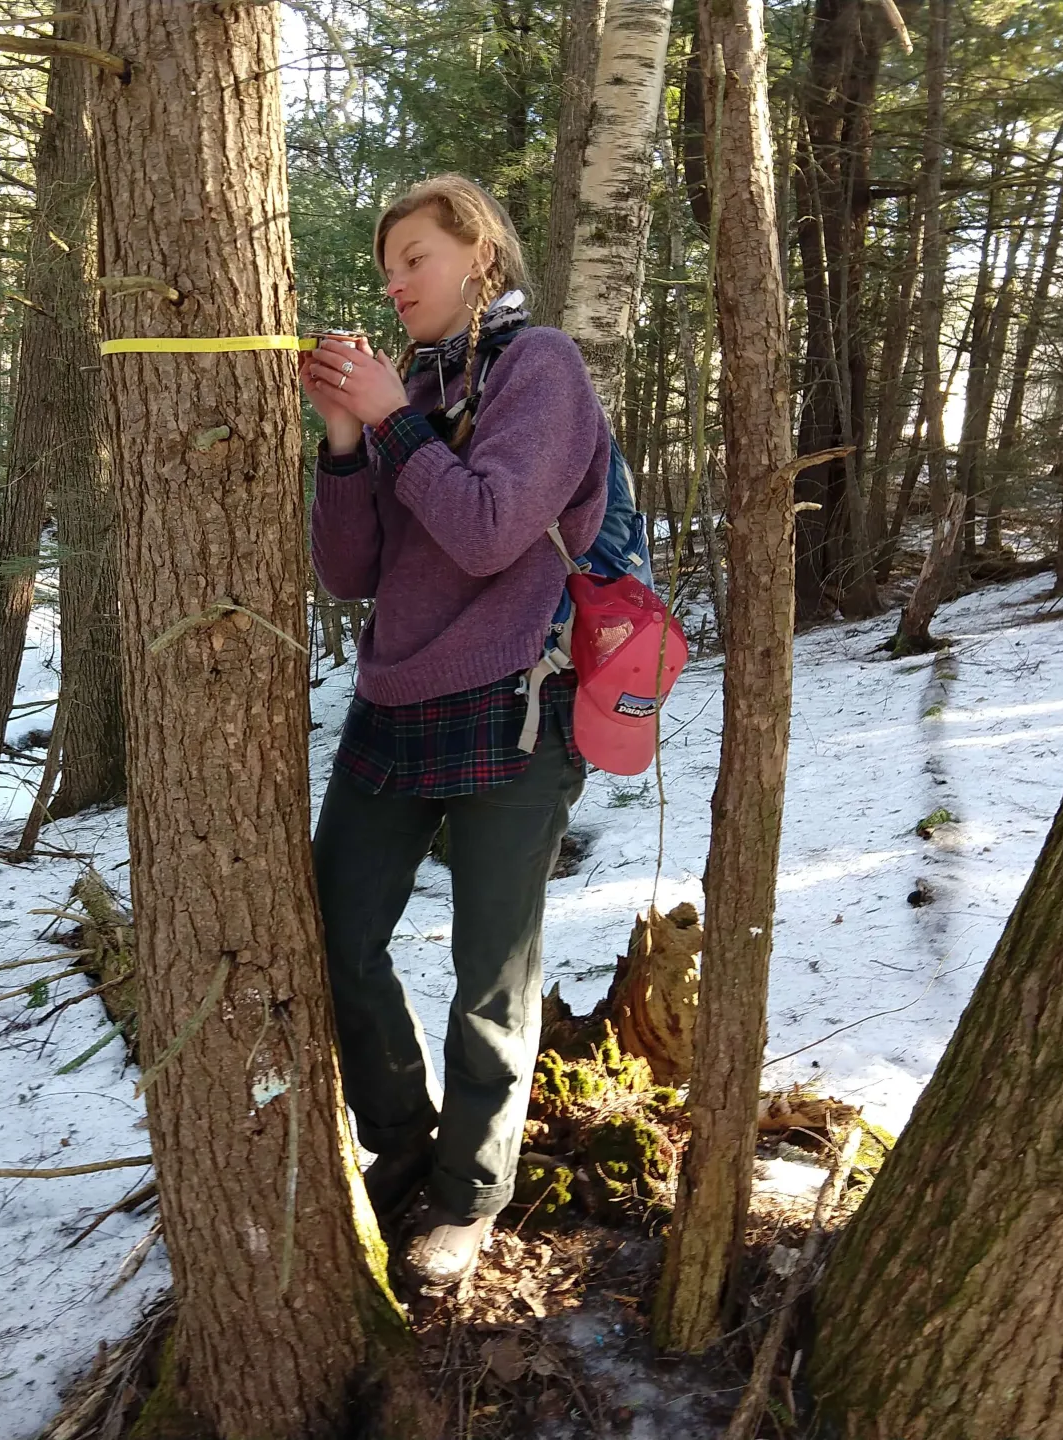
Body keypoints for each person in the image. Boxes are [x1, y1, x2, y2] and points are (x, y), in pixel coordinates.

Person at [298, 175, 620, 1290]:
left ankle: (469, 1196)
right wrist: (346, 443)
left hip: (514, 708)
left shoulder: (544, 370)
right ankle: (397, 1147)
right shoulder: (416, 384)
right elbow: (346, 570)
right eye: (386, 266)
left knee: (492, 976)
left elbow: (489, 530)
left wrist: (392, 421)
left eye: (414, 260)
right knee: (334, 935)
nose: (393, 284)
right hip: (393, 705)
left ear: (480, 254)